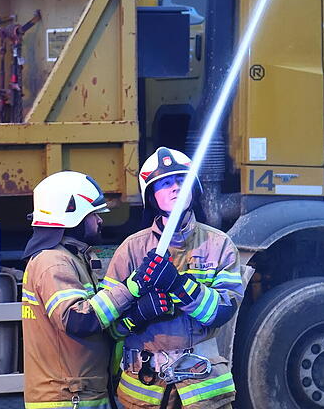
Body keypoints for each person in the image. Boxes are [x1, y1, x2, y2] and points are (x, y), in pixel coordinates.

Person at [102, 147, 244, 409]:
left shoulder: (219, 244)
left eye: (182, 180)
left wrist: (178, 285)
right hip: (144, 392)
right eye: (165, 183)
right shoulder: (131, 249)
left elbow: (222, 311)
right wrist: (138, 315)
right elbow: (108, 326)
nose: (175, 188)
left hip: (203, 392)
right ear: (152, 196)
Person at [21, 171, 172, 409]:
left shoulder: (71, 258)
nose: (100, 221)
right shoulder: (53, 262)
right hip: (68, 399)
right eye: (93, 215)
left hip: (78, 395)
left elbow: (99, 321)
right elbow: (79, 320)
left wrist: (134, 317)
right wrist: (131, 288)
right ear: (72, 216)